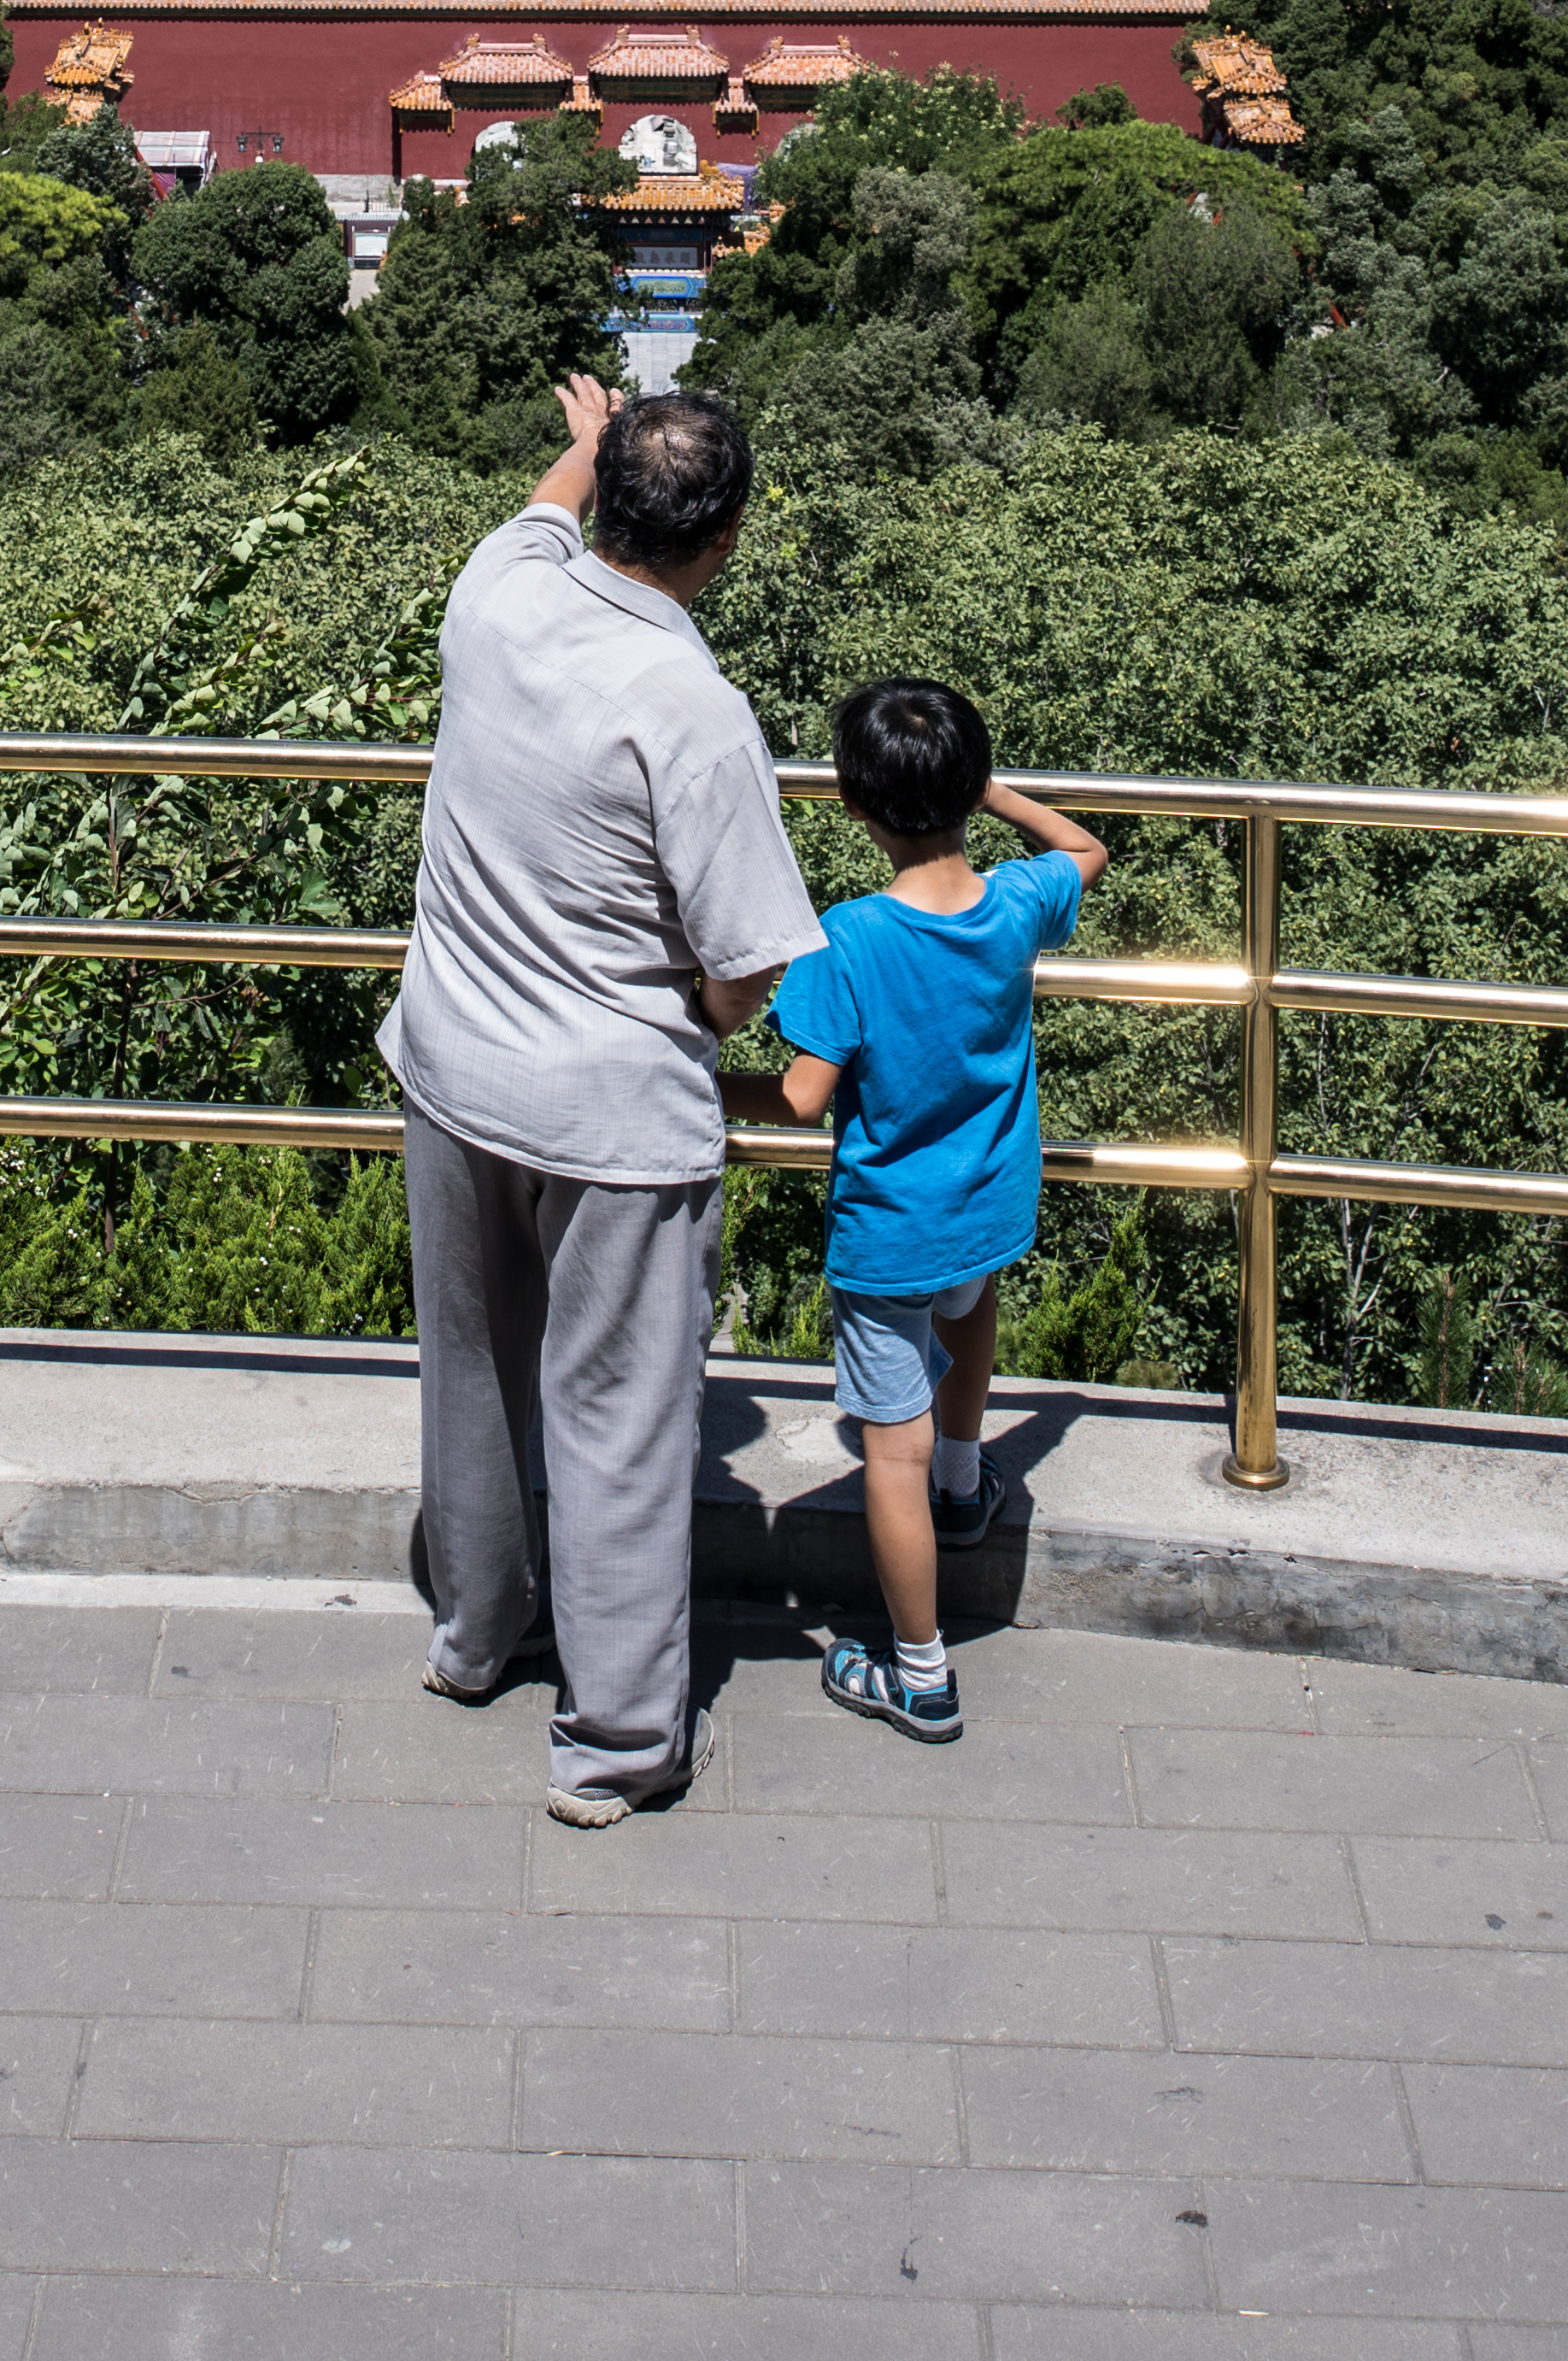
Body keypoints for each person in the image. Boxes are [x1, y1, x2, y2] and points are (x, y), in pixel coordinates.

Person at [380, 373, 819, 1826]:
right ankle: (620, 1738)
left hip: (453, 1070)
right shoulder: (694, 709)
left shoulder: (495, 597)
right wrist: (693, 1008)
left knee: (476, 1375)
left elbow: (539, 511)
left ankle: (475, 1635)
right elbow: (748, 970)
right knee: (620, 1416)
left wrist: (580, 443)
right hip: (613, 1119)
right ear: (727, 540)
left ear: (608, 496)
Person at [753, 672, 1105, 1744]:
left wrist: (679, 1079)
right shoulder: (1013, 905)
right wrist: (992, 792)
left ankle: (917, 1670)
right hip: (986, 1200)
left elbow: (803, 1095)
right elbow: (1085, 849)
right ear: (966, 783)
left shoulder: (848, 937)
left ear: (854, 807)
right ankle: (965, 1482)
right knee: (970, 1312)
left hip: (889, 1227)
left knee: (883, 1452)